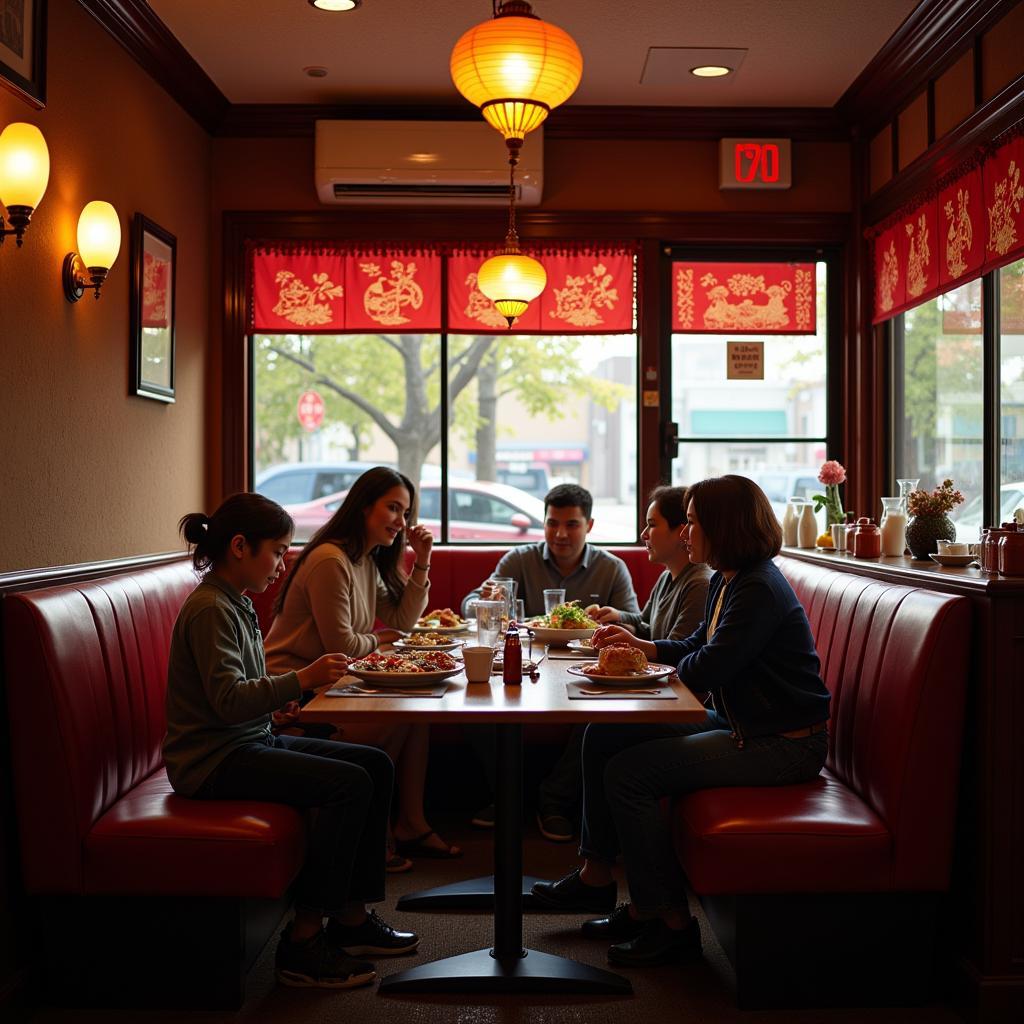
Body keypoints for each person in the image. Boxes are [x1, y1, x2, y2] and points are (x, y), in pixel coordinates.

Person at [530, 475, 831, 967]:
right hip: (743, 723)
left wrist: (645, 668)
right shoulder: (729, 578)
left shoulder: (756, 588)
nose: (686, 532)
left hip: (782, 743)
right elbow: (696, 648)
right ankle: (595, 877)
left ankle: (670, 922)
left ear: (722, 526)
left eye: (692, 521)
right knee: (603, 733)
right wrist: (644, 649)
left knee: (631, 774)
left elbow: (709, 668)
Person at [164, 492, 417, 991]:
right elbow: (227, 702)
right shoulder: (211, 608)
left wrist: (275, 705)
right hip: (212, 762)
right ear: (240, 546)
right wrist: (301, 680)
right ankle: (302, 942)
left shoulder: (235, 602)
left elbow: (239, 697)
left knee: (375, 766)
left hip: (246, 741)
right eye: (277, 551)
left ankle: (351, 917)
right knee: (350, 785)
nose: (283, 565)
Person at [265, 466, 460, 868]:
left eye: (405, 513)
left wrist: (421, 560)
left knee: (417, 713)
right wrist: (382, 639)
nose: (400, 522)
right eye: (392, 508)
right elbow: (344, 646)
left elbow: (403, 621)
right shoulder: (330, 560)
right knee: (400, 714)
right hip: (293, 693)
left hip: (335, 684)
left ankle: (411, 823)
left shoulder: (365, 560)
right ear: (363, 507)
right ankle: (375, 835)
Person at [460, 483, 640, 841]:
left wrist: (617, 615)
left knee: (597, 714)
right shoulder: (518, 559)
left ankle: (554, 801)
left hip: (585, 668)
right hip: (528, 664)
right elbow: (469, 606)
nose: (560, 534)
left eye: (571, 524)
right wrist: (487, 601)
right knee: (473, 702)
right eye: (552, 523)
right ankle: (508, 796)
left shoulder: (611, 568)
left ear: (589, 526)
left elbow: (637, 619)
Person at [598, 485, 711, 642]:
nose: (644, 534)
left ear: (680, 532)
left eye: (651, 525)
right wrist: (614, 619)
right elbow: (645, 624)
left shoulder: (699, 584)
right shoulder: (667, 576)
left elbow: (674, 650)